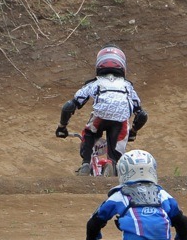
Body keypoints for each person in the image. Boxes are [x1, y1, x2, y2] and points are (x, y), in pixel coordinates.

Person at [55, 46, 148, 175]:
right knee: (117, 147)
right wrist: (133, 131)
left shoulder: (95, 83)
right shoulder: (127, 86)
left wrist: (62, 127)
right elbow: (142, 114)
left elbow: (70, 105)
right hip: (121, 121)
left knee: (89, 133)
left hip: (100, 117)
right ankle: (113, 165)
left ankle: (86, 163)